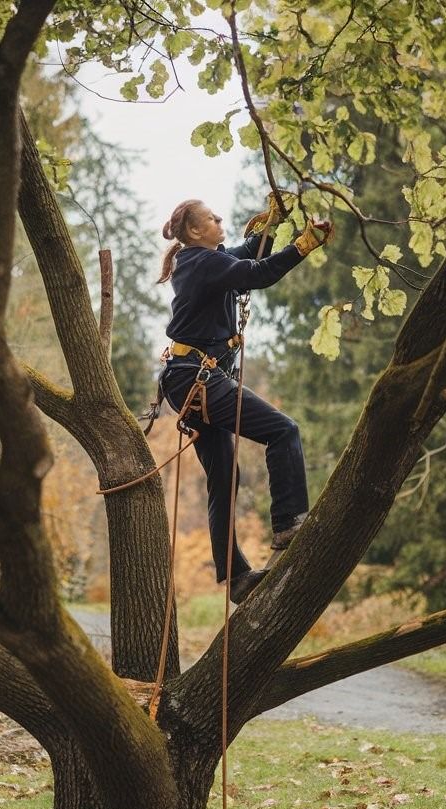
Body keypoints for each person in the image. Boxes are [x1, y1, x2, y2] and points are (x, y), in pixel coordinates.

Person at [156, 198, 334, 604]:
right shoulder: (203, 264)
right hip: (197, 378)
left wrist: (272, 223)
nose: (220, 221)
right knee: (283, 430)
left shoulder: (203, 261)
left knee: (225, 480)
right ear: (196, 231)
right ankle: (288, 520)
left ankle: (235, 578)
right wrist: (304, 244)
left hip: (189, 380)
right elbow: (259, 272)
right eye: (212, 219)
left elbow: (247, 254)